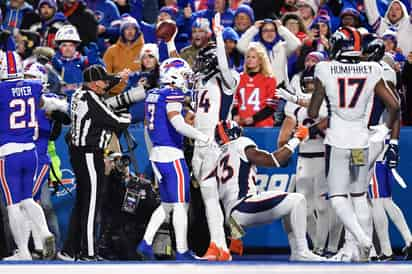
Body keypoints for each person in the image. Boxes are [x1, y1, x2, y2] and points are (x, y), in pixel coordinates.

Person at [308, 26, 400, 262]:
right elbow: (395, 105)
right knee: (359, 195)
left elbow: (313, 110)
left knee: (338, 196)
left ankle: (361, 240)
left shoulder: (325, 68)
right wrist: (385, 130)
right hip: (361, 142)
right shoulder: (371, 68)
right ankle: (361, 253)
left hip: (338, 142)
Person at [213, 120, 324, 261]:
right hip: (244, 206)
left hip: (232, 215)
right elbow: (275, 160)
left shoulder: (219, 157)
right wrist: (297, 139)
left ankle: (298, 252)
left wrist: (235, 234)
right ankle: (301, 251)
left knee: (288, 206)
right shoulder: (240, 144)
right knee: (297, 200)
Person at [137, 58, 213, 260]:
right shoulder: (172, 94)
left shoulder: (154, 93)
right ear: (174, 75)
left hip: (157, 154)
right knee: (181, 204)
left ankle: (146, 242)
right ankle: (181, 250)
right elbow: (178, 124)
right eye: (184, 75)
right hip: (172, 154)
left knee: (168, 204)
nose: (186, 80)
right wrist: (203, 137)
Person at [57, 64, 131, 261]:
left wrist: (118, 77)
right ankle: (88, 252)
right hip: (89, 154)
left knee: (82, 202)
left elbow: (103, 87)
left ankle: (69, 250)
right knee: (91, 204)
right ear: (93, 83)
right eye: (102, 80)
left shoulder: (81, 93)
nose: (105, 83)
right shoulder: (91, 99)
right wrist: (127, 114)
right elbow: (116, 121)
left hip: (79, 153)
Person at [0, 50, 68, 261]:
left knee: (13, 204)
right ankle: (44, 232)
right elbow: (59, 106)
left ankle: (23, 251)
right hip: (31, 151)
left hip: (8, 152)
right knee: (28, 199)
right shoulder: (36, 87)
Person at [190, 13, 239, 261]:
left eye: (203, 61)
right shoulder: (200, 84)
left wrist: (219, 35)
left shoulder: (228, 80)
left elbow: (224, 63)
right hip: (200, 142)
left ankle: (226, 243)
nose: (199, 65)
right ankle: (218, 246)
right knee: (208, 198)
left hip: (215, 142)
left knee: (221, 196)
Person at [361, 35, 412, 261]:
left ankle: (384, 250)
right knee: (382, 198)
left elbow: (395, 108)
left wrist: (392, 142)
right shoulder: (376, 68)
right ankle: (407, 240)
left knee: (372, 197)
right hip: (376, 134)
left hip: (375, 134)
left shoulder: (382, 70)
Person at [277, 60, 333, 256]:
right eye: (308, 83)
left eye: (313, 83)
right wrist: (289, 138)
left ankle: (320, 247)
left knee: (322, 207)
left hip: (322, 157)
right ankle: (316, 247)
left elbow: (324, 117)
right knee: (305, 209)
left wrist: (310, 129)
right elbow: (283, 137)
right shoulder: (293, 108)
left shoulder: (326, 102)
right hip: (303, 158)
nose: (311, 87)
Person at [237, 18, 302, 86]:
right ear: (260, 33)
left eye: (272, 30)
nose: (269, 33)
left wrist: (281, 28)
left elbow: (296, 44)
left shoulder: (283, 47)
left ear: (277, 32)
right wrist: (254, 29)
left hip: (280, 91)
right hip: (260, 90)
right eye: (265, 30)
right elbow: (240, 46)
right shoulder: (255, 47)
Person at [232, 42, 278, 127]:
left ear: (260, 60)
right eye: (248, 57)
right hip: (241, 125)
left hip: (263, 125)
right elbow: (234, 101)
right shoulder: (239, 78)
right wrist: (235, 114)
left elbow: (271, 107)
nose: (250, 60)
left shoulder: (270, 80)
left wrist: (255, 118)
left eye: (253, 57)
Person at [103, 14, 145, 95]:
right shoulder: (112, 50)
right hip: (115, 95)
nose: (130, 31)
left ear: (137, 31)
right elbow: (105, 76)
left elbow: (151, 72)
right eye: (127, 29)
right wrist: (119, 76)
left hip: (139, 94)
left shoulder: (145, 49)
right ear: (122, 31)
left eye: (133, 28)